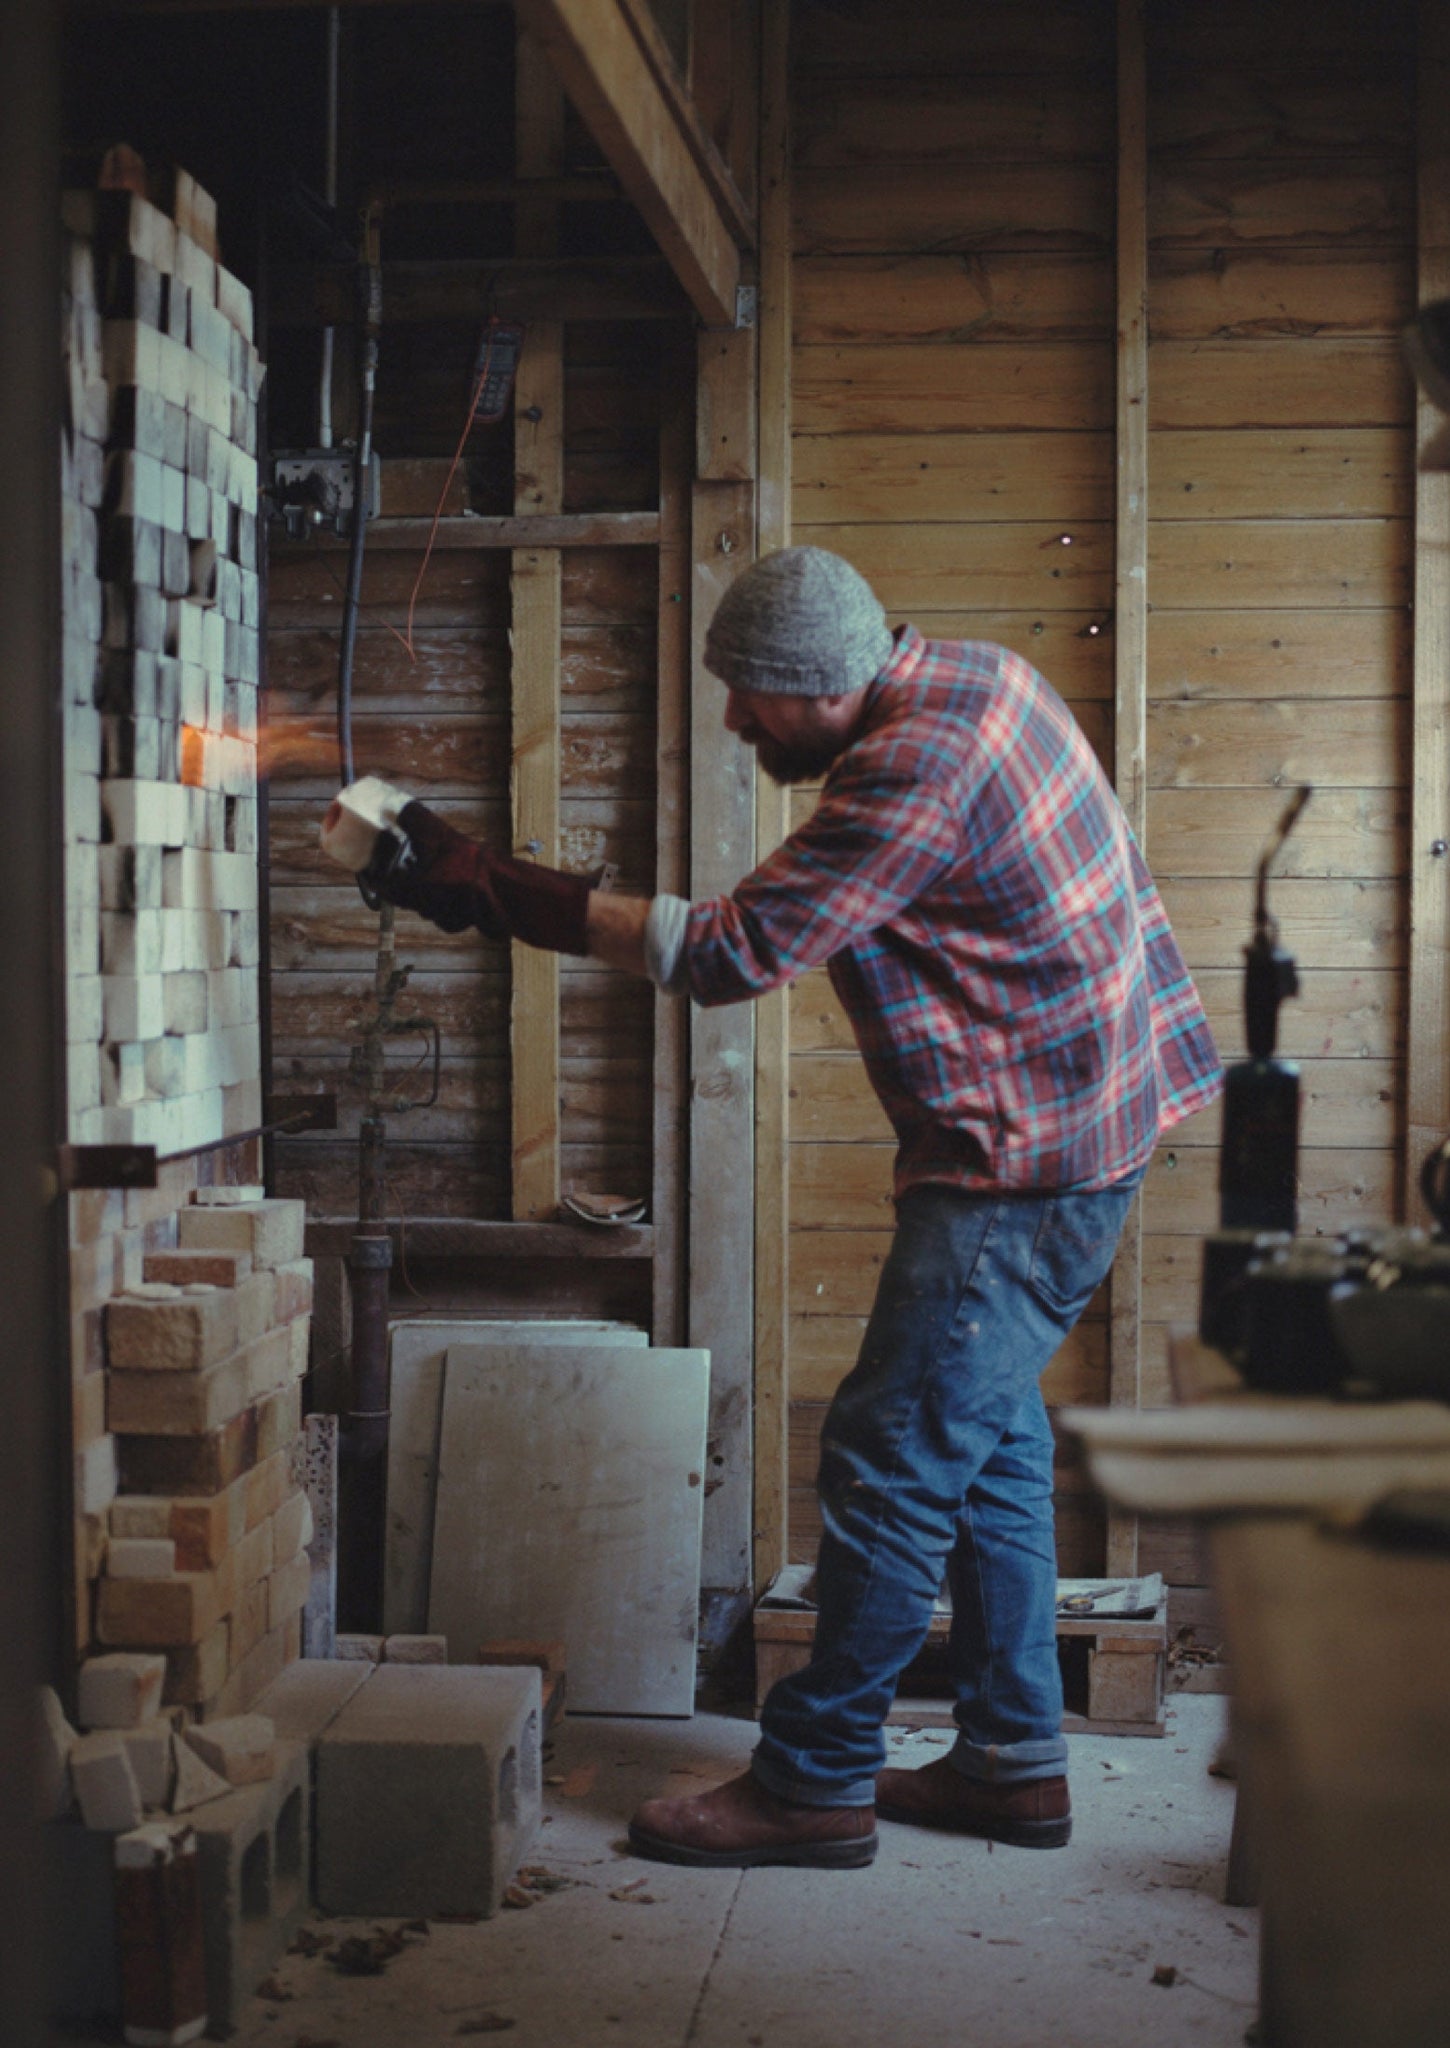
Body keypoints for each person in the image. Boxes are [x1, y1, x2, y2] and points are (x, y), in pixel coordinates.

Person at [364, 545, 1223, 1870]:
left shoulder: (905, 769)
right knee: (980, 1445)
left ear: (822, 685)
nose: (734, 722)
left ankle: (815, 1783)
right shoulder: (982, 679)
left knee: (885, 1457)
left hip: (1021, 1168)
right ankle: (1012, 1762)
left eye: (750, 698)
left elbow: (728, 952)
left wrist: (498, 888)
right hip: (1083, 1127)